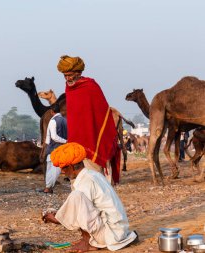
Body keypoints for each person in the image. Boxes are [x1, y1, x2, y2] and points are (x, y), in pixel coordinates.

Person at [42, 142, 138, 252]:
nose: (62, 172)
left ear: (71, 167)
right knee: (77, 200)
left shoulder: (86, 181)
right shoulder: (92, 175)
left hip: (110, 235)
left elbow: (82, 212)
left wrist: (57, 219)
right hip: (117, 230)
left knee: (76, 197)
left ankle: (87, 241)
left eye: (63, 168)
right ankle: (88, 239)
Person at [57, 55, 120, 184]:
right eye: (65, 75)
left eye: (70, 75)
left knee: (95, 180)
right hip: (75, 144)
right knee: (77, 182)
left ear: (78, 73)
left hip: (92, 141)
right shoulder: (69, 89)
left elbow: (102, 114)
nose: (68, 78)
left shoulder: (90, 86)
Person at [42, 103, 67, 193]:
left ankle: (48, 188)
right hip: (61, 148)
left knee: (53, 168)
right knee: (52, 168)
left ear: (52, 111)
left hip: (54, 147)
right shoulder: (65, 120)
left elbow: (54, 137)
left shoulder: (53, 121)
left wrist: (65, 141)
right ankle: (48, 187)